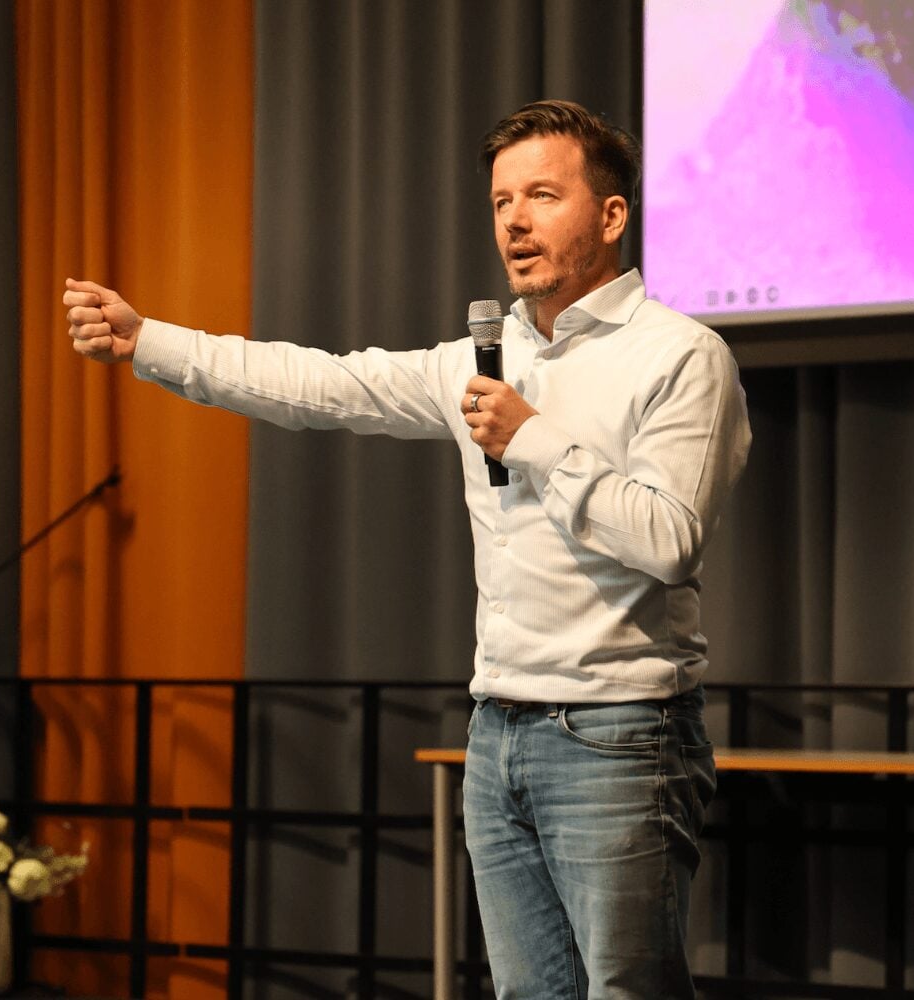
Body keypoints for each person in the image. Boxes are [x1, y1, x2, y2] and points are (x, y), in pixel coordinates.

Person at [65, 99, 751, 1000]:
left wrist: (532, 440)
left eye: (542, 196)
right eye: (501, 201)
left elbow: (669, 538)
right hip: (497, 730)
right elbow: (322, 384)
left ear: (612, 214)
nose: (514, 221)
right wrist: (150, 340)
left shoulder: (680, 357)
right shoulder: (481, 356)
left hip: (618, 734)